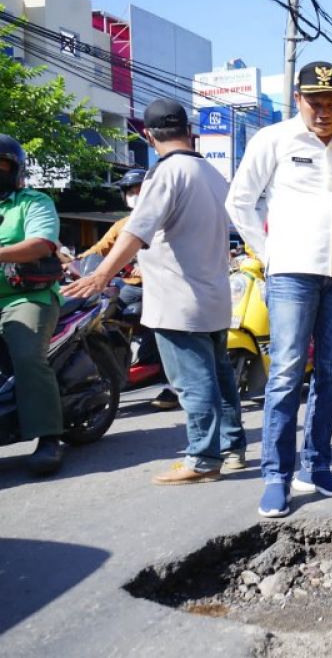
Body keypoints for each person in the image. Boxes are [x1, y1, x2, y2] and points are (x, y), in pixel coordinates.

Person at [64, 98, 246, 485]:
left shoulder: (165, 174)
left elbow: (136, 231)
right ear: (189, 132)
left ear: (148, 135)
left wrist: (101, 276)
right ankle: (232, 449)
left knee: (192, 382)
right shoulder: (212, 174)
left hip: (179, 301)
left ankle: (202, 458)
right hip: (213, 297)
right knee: (219, 378)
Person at [227, 61, 332, 518]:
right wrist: (270, 253)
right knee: (287, 373)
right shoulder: (273, 140)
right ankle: (277, 476)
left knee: (331, 375)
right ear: (297, 98)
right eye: (315, 101)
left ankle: (318, 466)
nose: (324, 111)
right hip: (290, 273)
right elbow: (239, 201)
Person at [79, 168, 180, 412]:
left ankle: (173, 387)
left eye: (140, 190)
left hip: (164, 288)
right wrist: (69, 261)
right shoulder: (122, 225)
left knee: (165, 330)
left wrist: (148, 270)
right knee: (96, 316)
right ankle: (109, 371)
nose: (135, 195)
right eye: (130, 191)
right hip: (131, 289)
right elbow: (99, 250)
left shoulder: (168, 221)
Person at [0, 134, 64, 475]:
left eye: (1, 165)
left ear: (15, 169)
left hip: (26, 297)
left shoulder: (32, 201)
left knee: (27, 357)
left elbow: (41, 243)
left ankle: (49, 437)